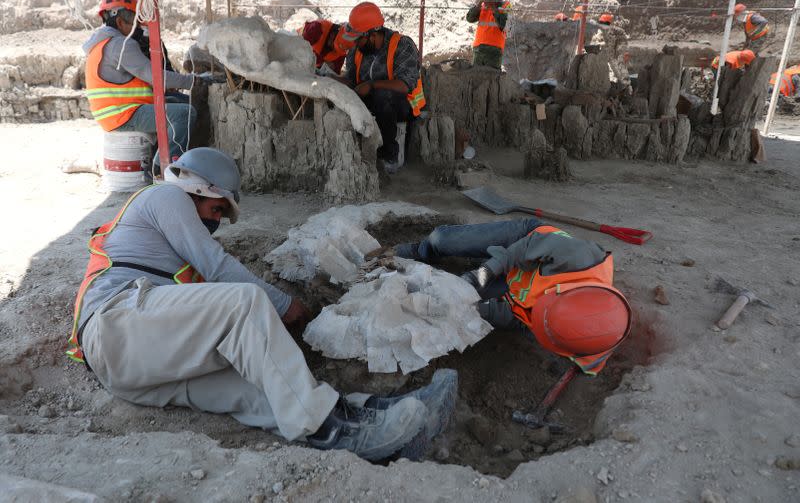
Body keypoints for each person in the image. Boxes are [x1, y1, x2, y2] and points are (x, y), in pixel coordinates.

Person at [67, 147, 457, 461]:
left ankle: (368, 420)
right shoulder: (166, 195)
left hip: (133, 370)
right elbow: (218, 268)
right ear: (199, 188)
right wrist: (285, 304)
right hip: (114, 326)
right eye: (217, 209)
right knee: (244, 303)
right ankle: (326, 425)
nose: (216, 222)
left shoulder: (169, 238)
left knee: (256, 387)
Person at [394, 219, 631, 376]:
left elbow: (514, 317)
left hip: (515, 288)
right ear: (558, 295)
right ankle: (422, 250)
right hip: (521, 244)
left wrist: (469, 309)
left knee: (457, 296)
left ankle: (472, 273)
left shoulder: (567, 336)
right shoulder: (580, 257)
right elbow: (517, 253)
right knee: (441, 239)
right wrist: (480, 277)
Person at [83, 0, 199, 167]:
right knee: (185, 113)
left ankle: (177, 159)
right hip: (123, 114)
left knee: (179, 100)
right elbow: (156, 77)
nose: (137, 28)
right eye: (134, 22)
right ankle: (163, 168)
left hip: (119, 110)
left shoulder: (101, 44)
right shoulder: (121, 44)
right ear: (120, 21)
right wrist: (193, 81)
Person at [341, 2, 426, 174]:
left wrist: (371, 85)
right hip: (372, 104)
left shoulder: (402, 45)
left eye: (359, 39)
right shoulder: (358, 50)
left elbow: (404, 85)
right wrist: (332, 81)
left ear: (372, 35)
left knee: (383, 95)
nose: (356, 44)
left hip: (402, 107)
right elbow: (351, 81)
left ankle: (389, 155)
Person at [466, 0, 511, 69]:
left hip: (494, 51)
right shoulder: (482, 5)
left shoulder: (506, 5)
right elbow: (469, 18)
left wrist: (493, 7)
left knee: (491, 80)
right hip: (479, 49)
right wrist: (480, 2)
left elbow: (505, 25)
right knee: (476, 80)